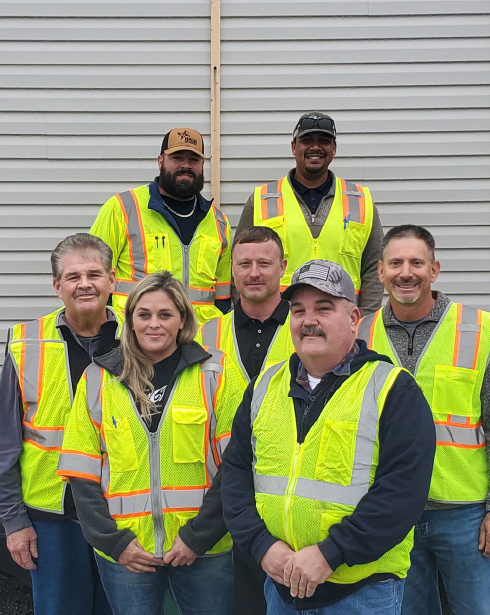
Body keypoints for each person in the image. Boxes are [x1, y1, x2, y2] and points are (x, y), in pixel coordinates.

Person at [222, 259, 436, 615]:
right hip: (281, 587)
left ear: (353, 319)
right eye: (299, 310)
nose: (309, 321)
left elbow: (402, 493)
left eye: (324, 308)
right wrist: (262, 546)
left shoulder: (392, 389)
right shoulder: (264, 387)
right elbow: (236, 475)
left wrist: (329, 554)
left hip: (362, 593)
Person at [57, 271, 245, 615]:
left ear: (182, 319)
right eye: (143, 315)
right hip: (129, 554)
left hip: (203, 550)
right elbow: (81, 475)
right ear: (130, 322)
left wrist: (197, 538)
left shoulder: (215, 373)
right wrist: (115, 543)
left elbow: (236, 467)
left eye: (165, 314)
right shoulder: (99, 379)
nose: (153, 324)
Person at [357, 224, 490, 615]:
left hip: (463, 513)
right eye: (395, 263)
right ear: (380, 272)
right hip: (390, 511)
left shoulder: (479, 329)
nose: (406, 272)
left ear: (434, 270)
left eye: (417, 262)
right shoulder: (359, 335)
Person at [0, 233, 122, 615]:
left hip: (122, 514)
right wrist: (13, 521)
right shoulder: (25, 344)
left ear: (112, 280)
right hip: (52, 518)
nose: (84, 284)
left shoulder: (139, 339)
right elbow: (5, 443)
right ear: (57, 286)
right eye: (72, 276)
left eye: (93, 274)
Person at [197, 226, 295, 615]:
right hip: (220, 494)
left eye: (264, 263)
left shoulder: (307, 329)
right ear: (232, 271)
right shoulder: (203, 334)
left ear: (282, 268)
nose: (254, 272)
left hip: (287, 493)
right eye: (244, 264)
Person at [236, 112, 383, 315]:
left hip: (341, 327)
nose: (315, 147)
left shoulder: (360, 201)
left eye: (324, 141)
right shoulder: (261, 200)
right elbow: (238, 264)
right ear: (294, 147)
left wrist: (364, 321)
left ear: (334, 149)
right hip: (277, 325)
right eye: (306, 141)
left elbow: (374, 269)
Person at [90, 127, 232, 324]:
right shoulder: (122, 208)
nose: (186, 165)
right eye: (177, 158)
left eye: (194, 159)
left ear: (202, 164)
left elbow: (223, 298)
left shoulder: (218, 221)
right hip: (137, 338)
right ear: (160, 161)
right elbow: (94, 278)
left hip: (199, 343)